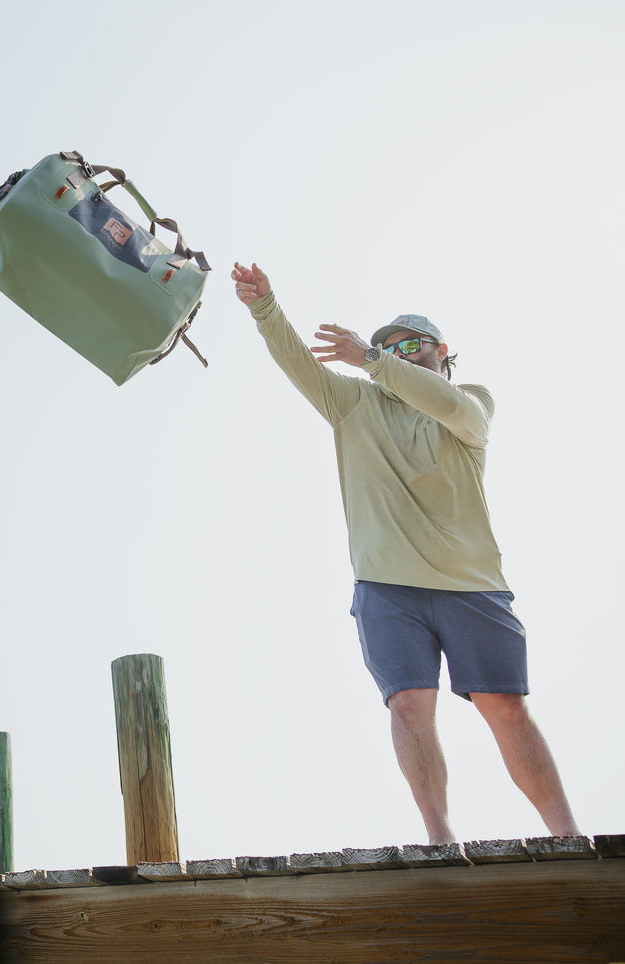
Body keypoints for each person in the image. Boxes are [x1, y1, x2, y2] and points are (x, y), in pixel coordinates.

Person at [231, 261, 578, 846]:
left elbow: (446, 404)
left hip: (472, 585)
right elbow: (297, 362)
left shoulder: (471, 401)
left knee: (505, 707)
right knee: (411, 706)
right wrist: (264, 305)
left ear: (441, 351)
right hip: (387, 585)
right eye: (390, 346)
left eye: (413, 345)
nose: (401, 353)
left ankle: (570, 838)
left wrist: (371, 357)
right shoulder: (355, 404)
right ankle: (441, 839)